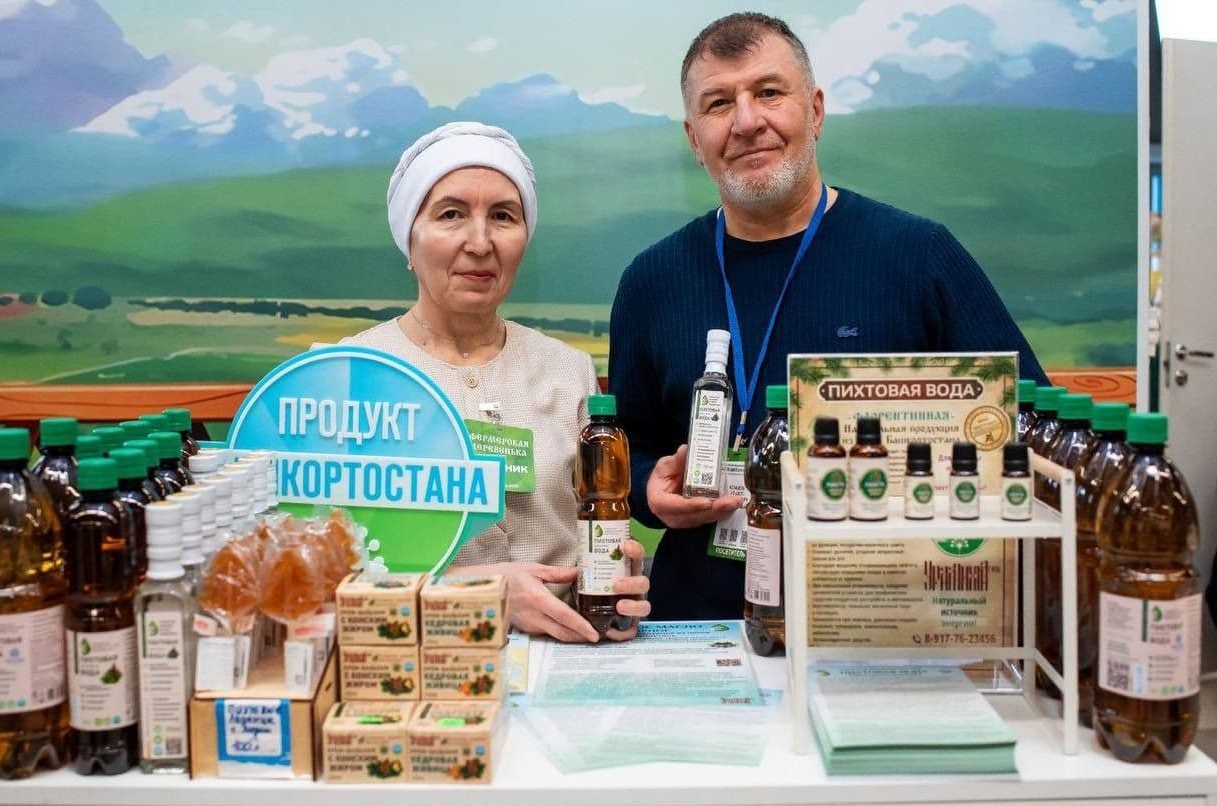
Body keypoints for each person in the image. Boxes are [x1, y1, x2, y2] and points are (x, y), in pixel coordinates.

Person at [607, 13, 1049, 621]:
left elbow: (1028, 422)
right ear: (693, 137)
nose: (746, 121)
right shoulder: (651, 282)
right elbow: (630, 444)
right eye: (718, 103)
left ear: (814, 111)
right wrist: (650, 489)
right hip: (700, 629)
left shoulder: (919, 257)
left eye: (768, 92)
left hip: (886, 622)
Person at [338, 121, 650, 642]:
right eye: (451, 214)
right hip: (420, 659)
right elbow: (325, 574)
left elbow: (593, 524)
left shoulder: (567, 369)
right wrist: (476, 591)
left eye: (503, 216)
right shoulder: (354, 371)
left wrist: (616, 580)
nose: (480, 242)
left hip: (567, 656)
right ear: (408, 238)